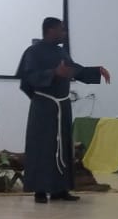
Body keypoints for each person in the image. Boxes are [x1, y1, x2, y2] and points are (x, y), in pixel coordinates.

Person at [16, 17, 110, 204]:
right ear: (50, 30)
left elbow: (73, 70)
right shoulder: (33, 52)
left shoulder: (61, 52)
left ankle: (60, 189)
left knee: (63, 146)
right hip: (44, 106)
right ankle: (40, 190)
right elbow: (28, 77)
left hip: (62, 105)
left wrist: (96, 71)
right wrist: (53, 73)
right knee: (43, 147)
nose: (64, 33)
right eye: (61, 29)